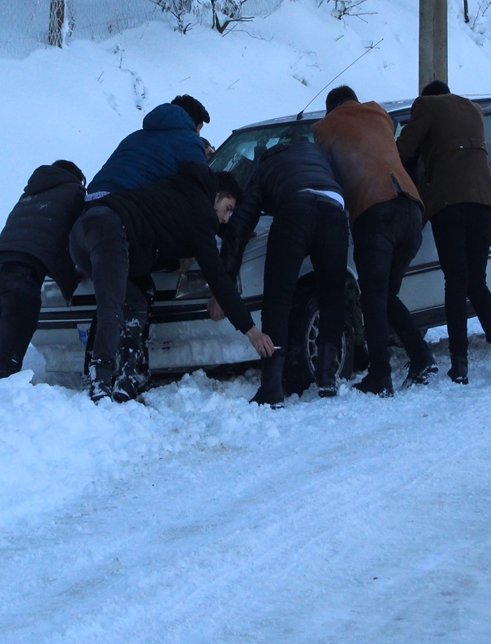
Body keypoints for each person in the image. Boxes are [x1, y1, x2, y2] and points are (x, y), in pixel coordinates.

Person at [69, 161, 273, 402]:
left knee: (134, 302)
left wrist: (176, 261)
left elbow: (158, 228)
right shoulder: (200, 212)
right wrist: (252, 331)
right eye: (228, 208)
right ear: (216, 195)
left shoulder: (178, 188)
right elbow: (218, 278)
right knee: (111, 307)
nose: (227, 218)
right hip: (110, 231)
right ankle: (100, 384)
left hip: (82, 233)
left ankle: (128, 378)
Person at [397, 81, 491, 383]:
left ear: (428, 98)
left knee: (455, 281)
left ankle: (460, 363)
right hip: (484, 202)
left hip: (449, 204)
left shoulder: (427, 105)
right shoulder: (473, 108)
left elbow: (402, 151)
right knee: (476, 281)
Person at [313, 85, 436, 396]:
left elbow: (325, 173)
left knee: (373, 297)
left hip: (376, 212)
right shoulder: (379, 113)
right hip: (411, 209)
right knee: (385, 295)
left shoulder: (325, 127)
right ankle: (422, 357)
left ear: (331, 108)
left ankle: (380, 376)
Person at [218, 142, 349, 406]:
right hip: (333, 209)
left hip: (294, 209)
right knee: (332, 297)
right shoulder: (320, 155)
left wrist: (225, 282)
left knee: (278, 299)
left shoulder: (264, 168)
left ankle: (272, 387)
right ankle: (327, 377)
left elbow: (240, 225)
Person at [0, 160, 87, 384]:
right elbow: (77, 238)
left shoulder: (28, 196)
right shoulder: (74, 192)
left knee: (9, 351)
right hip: (20, 277)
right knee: (9, 360)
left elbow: (37, 237)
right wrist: (76, 277)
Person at [87, 95, 212, 198]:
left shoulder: (136, 135)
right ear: (192, 123)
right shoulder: (190, 140)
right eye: (199, 129)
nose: (199, 134)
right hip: (126, 205)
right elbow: (202, 188)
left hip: (92, 197)